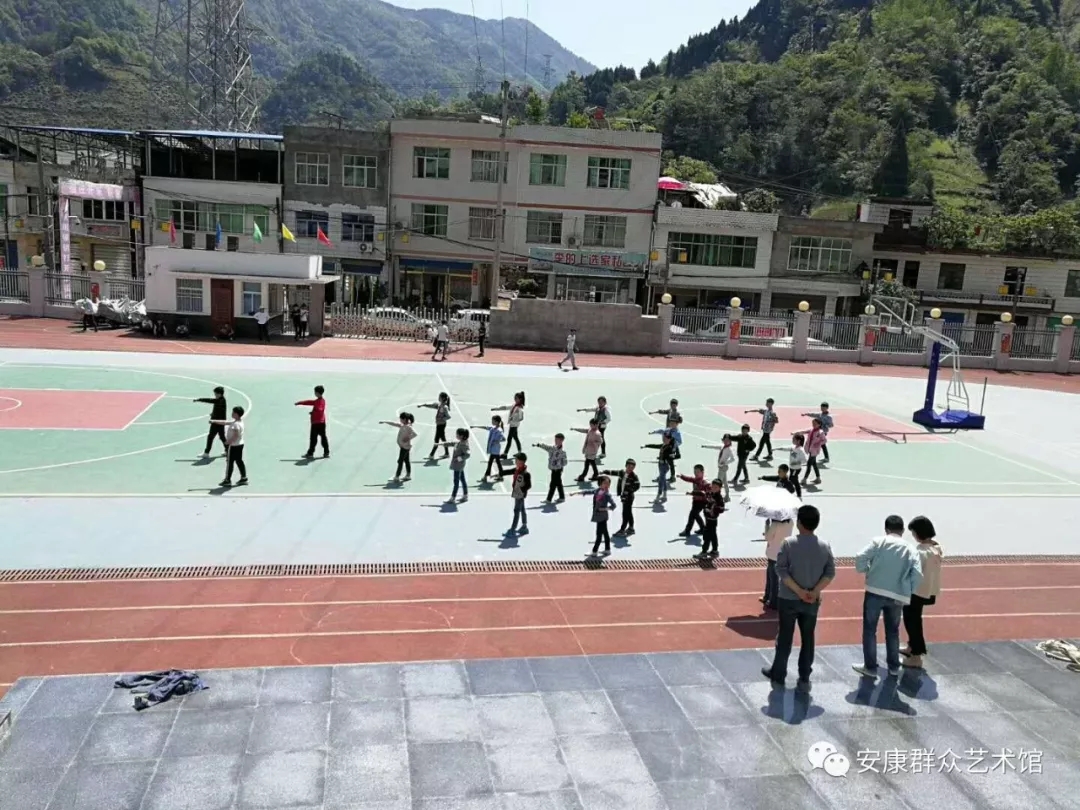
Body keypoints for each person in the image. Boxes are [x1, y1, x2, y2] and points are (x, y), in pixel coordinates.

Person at [762, 504, 835, 693]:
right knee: (808, 638)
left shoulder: (788, 544)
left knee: (784, 637)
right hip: (812, 601)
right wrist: (814, 591)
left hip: (788, 598)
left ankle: (778, 673)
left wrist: (798, 591)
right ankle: (804, 675)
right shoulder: (824, 545)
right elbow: (830, 572)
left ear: (800, 523)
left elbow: (781, 569)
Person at [852, 515, 924, 679]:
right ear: (903, 530)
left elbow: (860, 557)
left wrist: (867, 570)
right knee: (893, 631)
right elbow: (917, 574)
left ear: (886, 529)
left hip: (874, 590)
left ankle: (870, 667)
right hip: (897, 594)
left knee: (870, 630)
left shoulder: (879, 542)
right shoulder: (910, 549)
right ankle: (893, 666)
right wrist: (907, 590)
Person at [902, 516, 943, 670]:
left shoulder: (920, 552)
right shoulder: (935, 548)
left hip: (916, 591)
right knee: (915, 619)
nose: (913, 536)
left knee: (912, 622)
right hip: (928, 590)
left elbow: (912, 572)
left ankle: (916, 655)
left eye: (913, 533)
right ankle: (912, 646)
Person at [211, 406, 248, 488]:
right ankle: (244, 478)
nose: (232, 413)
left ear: (237, 414)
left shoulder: (235, 424)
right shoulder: (239, 422)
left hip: (233, 446)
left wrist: (228, 442)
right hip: (240, 445)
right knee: (239, 461)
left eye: (233, 412)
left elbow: (236, 435)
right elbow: (225, 422)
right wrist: (214, 421)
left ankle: (227, 480)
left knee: (230, 463)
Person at [601, 458, 640, 536]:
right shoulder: (622, 473)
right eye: (629, 466)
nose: (630, 468)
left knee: (625, 514)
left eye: (632, 467)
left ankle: (622, 530)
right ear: (626, 466)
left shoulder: (634, 476)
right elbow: (614, 472)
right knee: (628, 512)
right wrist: (605, 472)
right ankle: (631, 528)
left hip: (629, 497)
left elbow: (637, 486)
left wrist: (629, 490)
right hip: (623, 496)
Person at [381, 412, 418, 482]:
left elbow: (415, 434)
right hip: (404, 447)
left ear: (404, 419)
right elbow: (394, 423)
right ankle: (408, 475)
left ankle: (397, 476)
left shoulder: (408, 427)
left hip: (405, 448)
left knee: (400, 461)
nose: (400, 420)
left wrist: (408, 438)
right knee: (406, 460)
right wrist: (385, 422)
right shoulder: (403, 425)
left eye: (401, 419)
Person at [694, 480, 726, 560]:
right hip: (707, 518)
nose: (713, 488)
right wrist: (693, 493)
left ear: (720, 488)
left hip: (712, 519)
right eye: (713, 486)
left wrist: (713, 509)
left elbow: (722, 509)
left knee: (707, 536)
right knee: (713, 535)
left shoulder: (719, 498)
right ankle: (715, 550)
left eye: (716, 487)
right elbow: (703, 495)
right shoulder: (710, 494)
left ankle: (704, 551)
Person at [295, 385, 329, 459]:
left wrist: (314, 412)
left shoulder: (320, 401)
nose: (314, 393)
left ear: (317, 393)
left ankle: (311, 453)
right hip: (321, 423)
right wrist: (300, 402)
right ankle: (326, 452)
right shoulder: (319, 401)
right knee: (322, 438)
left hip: (317, 424)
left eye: (315, 392)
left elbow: (320, 409)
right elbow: (309, 402)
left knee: (314, 439)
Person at [194, 386, 228, 458]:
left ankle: (206, 453)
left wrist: (199, 399)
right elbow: (219, 410)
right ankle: (228, 450)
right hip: (221, 422)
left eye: (215, 393)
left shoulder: (220, 400)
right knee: (222, 437)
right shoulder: (221, 400)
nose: (215, 395)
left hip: (217, 422)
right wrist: (213, 413)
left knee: (210, 437)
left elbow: (210, 400)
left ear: (219, 394)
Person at [642, 433, 677, 502]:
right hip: (660, 465)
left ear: (669, 439)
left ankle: (658, 496)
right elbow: (655, 446)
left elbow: (672, 457)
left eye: (665, 438)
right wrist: (646, 446)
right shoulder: (663, 445)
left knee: (661, 482)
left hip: (664, 466)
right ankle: (664, 495)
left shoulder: (669, 448)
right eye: (663, 438)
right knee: (663, 480)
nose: (663, 439)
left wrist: (669, 458)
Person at [534, 434, 568, 503]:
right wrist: (539, 445)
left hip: (557, 470)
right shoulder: (553, 448)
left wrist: (558, 464)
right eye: (555, 439)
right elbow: (546, 447)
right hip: (553, 469)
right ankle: (562, 497)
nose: (555, 441)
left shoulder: (562, 452)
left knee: (553, 484)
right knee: (558, 484)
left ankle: (549, 499)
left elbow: (565, 462)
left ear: (561, 440)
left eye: (557, 439)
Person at [677, 464, 709, 537]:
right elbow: (689, 479)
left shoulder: (703, 482)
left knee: (692, 515)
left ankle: (687, 531)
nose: (696, 473)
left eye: (697, 472)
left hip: (701, 502)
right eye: (694, 471)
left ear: (702, 472)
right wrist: (682, 476)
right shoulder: (695, 479)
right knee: (695, 515)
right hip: (695, 501)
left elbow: (707, 490)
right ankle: (703, 529)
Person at [589, 475, 617, 556]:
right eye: (605, 483)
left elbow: (613, 506)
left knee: (599, 534)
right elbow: (589, 491)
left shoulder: (607, 495)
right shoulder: (597, 491)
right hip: (598, 516)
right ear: (600, 484)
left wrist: (604, 509)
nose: (607, 485)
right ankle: (607, 549)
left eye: (608, 484)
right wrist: (577, 493)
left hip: (602, 517)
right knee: (605, 533)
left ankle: (594, 551)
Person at [419, 393, 452, 461]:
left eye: (439, 397)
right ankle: (446, 453)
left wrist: (442, 419)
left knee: (436, 440)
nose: (438, 398)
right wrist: (424, 405)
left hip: (441, 425)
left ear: (443, 398)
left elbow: (448, 417)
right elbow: (432, 405)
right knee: (443, 439)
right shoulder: (440, 405)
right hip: (439, 424)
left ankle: (432, 455)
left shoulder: (444, 407)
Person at [472, 415, 505, 481]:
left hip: (495, 449)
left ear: (496, 422)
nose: (492, 421)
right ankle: (500, 476)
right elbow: (486, 427)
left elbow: (504, 439)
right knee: (496, 462)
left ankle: (486, 476)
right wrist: (476, 426)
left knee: (490, 463)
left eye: (493, 420)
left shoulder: (499, 430)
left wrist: (497, 441)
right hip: (493, 449)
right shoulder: (493, 428)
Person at [701, 435, 734, 502]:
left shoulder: (729, 449)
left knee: (718, 482)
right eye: (725, 440)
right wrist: (706, 446)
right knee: (724, 482)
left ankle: (717, 496)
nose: (726, 441)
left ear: (730, 441)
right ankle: (727, 496)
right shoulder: (722, 447)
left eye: (727, 440)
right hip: (721, 467)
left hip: (723, 467)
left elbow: (732, 459)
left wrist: (725, 463)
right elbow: (714, 447)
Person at [493, 392, 525, 458]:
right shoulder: (514, 405)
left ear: (520, 399)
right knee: (515, 438)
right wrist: (497, 408)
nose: (515, 399)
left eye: (516, 398)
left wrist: (514, 418)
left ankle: (505, 454)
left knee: (509, 439)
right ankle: (519, 452)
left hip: (514, 426)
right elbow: (506, 407)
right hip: (512, 425)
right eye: (515, 397)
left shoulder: (519, 408)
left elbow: (521, 418)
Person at [505, 452, 532, 534]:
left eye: (517, 459)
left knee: (516, 511)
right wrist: (500, 473)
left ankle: (513, 529)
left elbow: (528, 485)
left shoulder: (525, 473)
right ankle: (524, 526)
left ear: (521, 461)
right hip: (517, 493)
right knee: (522, 509)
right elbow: (509, 471)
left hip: (520, 495)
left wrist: (521, 490)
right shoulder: (517, 470)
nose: (515, 460)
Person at [443, 427, 471, 502]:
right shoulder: (461, 442)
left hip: (458, 466)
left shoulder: (464, 444)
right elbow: (454, 444)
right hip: (459, 466)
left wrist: (458, 459)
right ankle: (465, 495)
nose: (456, 435)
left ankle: (453, 497)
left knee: (456, 482)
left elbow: (467, 455)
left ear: (461, 436)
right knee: (462, 479)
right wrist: (444, 444)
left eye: (457, 434)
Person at [799, 419, 826, 486]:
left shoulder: (820, 432)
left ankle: (804, 479)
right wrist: (796, 433)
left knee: (809, 464)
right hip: (810, 449)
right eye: (813, 423)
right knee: (814, 464)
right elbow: (804, 431)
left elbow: (824, 440)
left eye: (815, 423)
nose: (813, 424)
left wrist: (818, 443)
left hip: (814, 450)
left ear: (819, 424)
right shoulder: (812, 430)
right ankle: (818, 478)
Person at [788, 433, 807, 499]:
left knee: (792, 480)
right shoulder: (793, 447)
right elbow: (786, 449)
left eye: (794, 439)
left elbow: (805, 460)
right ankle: (798, 494)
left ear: (798, 441)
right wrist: (777, 448)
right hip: (792, 468)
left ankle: (795, 493)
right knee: (793, 480)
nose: (792, 440)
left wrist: (795, 463)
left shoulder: (801, 450)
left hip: (796, 469)